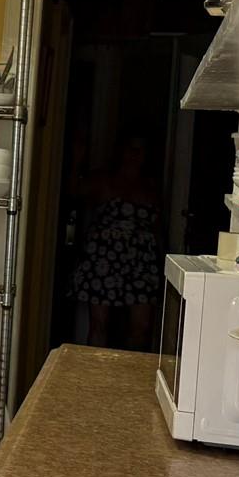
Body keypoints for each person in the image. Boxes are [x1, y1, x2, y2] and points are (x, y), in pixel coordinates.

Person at [69, 136, 162, 350]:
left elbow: (157, 227)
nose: (135, 154)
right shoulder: (103, 178)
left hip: (141, 262)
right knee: (99, 324)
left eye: (141, 150)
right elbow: (73, 191)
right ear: (120, 151)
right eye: (130, 148)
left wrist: (163, 259)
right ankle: (95, 375)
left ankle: (128, 375)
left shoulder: (150, 185)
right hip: (104, 259)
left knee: (141, 326)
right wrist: (76, 160)